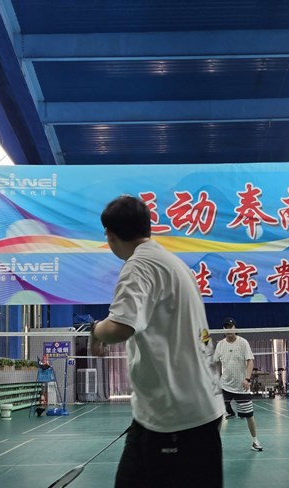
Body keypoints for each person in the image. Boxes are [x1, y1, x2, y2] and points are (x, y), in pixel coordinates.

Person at [90, 195, 225, 488]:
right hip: (163, 415)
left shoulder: (139, 265)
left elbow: (119, 328)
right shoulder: (171, 262)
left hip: (177, 419)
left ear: (110, 236)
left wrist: (94, 330)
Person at [213, 317, 263, 452]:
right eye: (226, 327)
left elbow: (250, 361)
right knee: (218, 415)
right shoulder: (220, 344)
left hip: (241, 386)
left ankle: (255, 441)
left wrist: (247, 379)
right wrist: (215, 379)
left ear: (235, 328)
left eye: (231, 327)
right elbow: (216, 363)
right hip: (224, 385)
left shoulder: (243, 343)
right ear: (223, 330)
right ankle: (215, 443)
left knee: (249, 416)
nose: (228, 329)